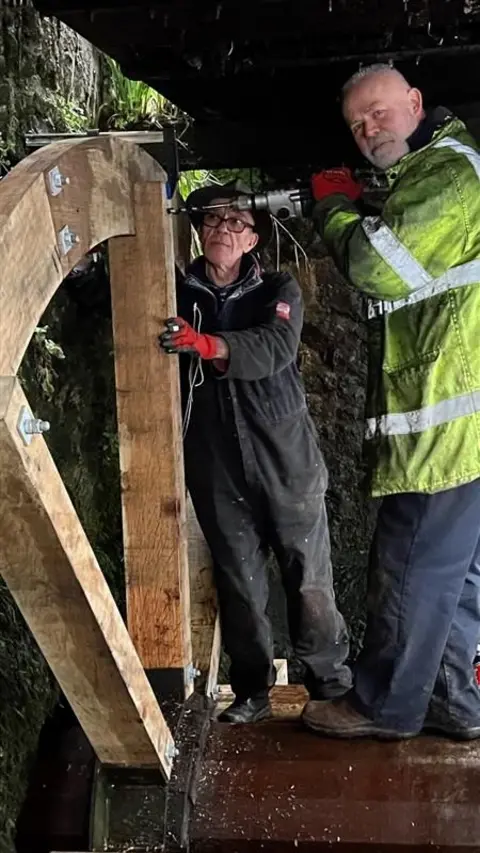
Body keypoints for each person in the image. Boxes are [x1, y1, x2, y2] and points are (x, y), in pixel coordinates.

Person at [301, 63, 480, 741]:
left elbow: (376, 265)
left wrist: (333, 206)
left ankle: (383, 706)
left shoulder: (447, 175)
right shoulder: (435, 177)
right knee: (454, 578)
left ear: (415, 101)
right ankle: (454, 701)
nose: (369, 130)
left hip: (445, 428)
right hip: (463, 427)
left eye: (378, 112)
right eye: (356, 125)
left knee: (407, 567)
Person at [159, 179, 351, 723]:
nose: (223, 228)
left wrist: (208, 344)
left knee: (308, 579)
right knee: (239, 582)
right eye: (213, 219)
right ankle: (252, 692)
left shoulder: (276, 290)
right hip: (216, 463)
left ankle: (331, 686)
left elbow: (276, 346)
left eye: (236, 222)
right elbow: (114, 302)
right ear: (199, 230)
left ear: (252, 240)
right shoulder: (176, 292)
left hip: (286, 459)